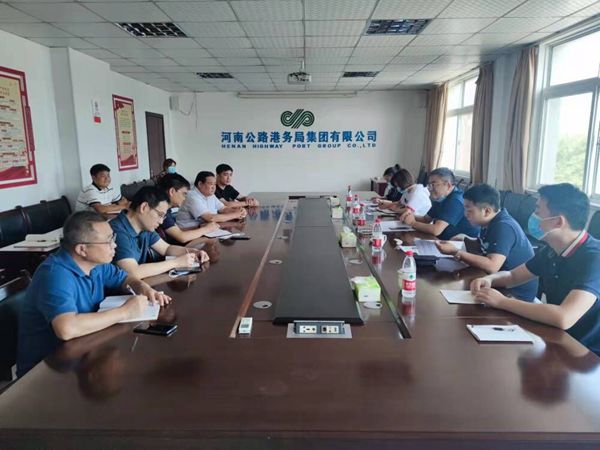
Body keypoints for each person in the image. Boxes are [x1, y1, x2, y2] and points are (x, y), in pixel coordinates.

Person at [17, 211, 169, 377]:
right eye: (108, 241)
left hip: (84, 350)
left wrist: (144, 288)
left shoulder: (96, 264)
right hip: (47, 372)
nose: (115, 245)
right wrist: (125, 311)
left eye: (113, 238)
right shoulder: (55, 275)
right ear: (82, 249)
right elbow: (66, 328)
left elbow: (124, 279)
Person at [470, 183, 600, 356]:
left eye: (538, 211)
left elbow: (564, 317)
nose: (533, 216)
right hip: (557, 337)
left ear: (558, 221)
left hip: (586, 354)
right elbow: (513, 276)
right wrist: (489, 280)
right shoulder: (552, 250)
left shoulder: (594, 258)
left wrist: (502, 302)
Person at [435, 184, 538, 301]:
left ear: (487, 211)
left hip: (514, 293)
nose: (465, 214)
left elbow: (492, 266)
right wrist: (466, 238)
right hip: (495, 282)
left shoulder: (503, 226)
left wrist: (456, 252)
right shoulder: (491, 222)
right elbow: (485, 245)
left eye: (469, 210)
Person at [110, 186, 209, 279]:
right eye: (160, 215)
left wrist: (194, 252)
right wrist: (176, 263)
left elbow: (166, 249)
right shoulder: (116, 230)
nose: (161, 222)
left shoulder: (145, 227)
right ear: (144, 207)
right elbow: (133, 272)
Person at [400, 167, 479, 239]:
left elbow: (436, 230)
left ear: (448, 185)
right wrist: (408, 215)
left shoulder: (456, 200)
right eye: (429, 185)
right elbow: (425, 219)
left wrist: (412, 223)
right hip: (442, 240)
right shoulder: (440, 198)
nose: (430, 188)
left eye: (433, 184)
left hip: (460, 245)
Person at [156, 173, 220, 244]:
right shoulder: (160, 211)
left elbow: (177, 230)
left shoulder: (167, 210)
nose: (185, 198)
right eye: (184, 194)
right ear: (172, 191)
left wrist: (200, 227)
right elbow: (182, 237)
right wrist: (207, 229)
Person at [177, 171, 247, 228]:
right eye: (211, 184)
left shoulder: (210, 195)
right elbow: (210, 218)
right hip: (188, 231)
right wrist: (235, 215)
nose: (214, 187)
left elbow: (223, 209)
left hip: (205, 228)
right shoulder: (192, 196)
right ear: (200, 184)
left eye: (215, 184)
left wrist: (238, 211)